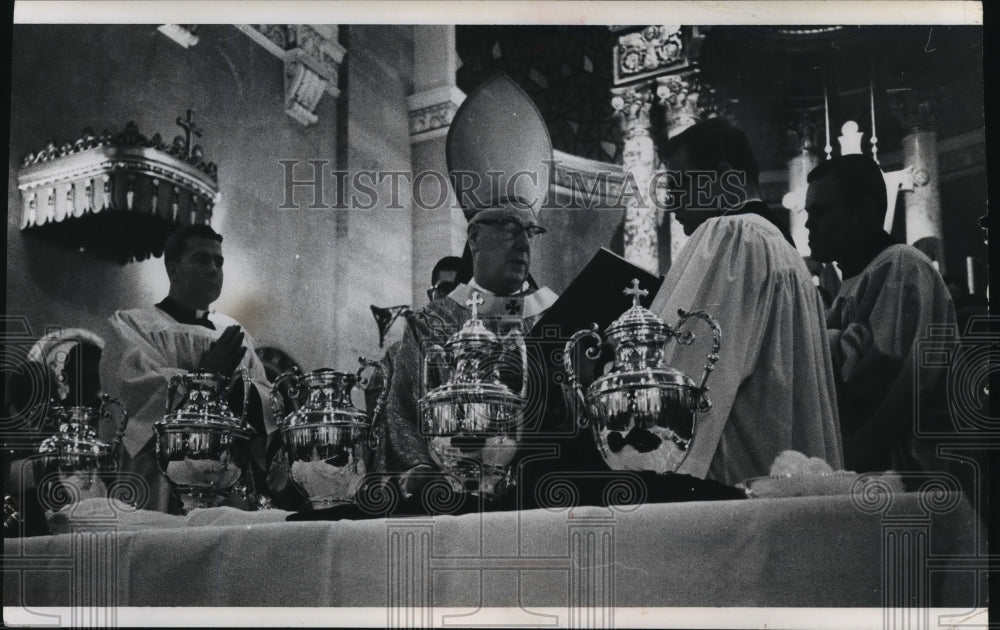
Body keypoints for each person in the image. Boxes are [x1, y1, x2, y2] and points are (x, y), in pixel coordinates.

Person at [378, 74, 558, 496]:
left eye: (529, 232)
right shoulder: (430, 326)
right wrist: (424, 477)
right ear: (474, 238)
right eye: (508, 227)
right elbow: (402, 422)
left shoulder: (553, 319)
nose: (521, 243)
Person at [649, 118, 843, 486]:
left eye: (680, 185)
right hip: (780, 481)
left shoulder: (730, 236)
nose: (671, 205)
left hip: (729, 486)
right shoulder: (786, 254)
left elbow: (680, 376)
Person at [100, 224, 272, 513]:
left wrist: (242, 391)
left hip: (226, 483)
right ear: (173, 269)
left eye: (219, 262)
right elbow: (134, 390)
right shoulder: (132, 325)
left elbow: (265, 400)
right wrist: (203, 379)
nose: (214, 269)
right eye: (202, 259)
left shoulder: (234, 333)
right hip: (156, 480)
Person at [805, 155, 957, 473]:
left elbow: (883, 377)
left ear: (862, 213)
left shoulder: (902, 266)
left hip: (908, 471)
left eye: (819, 212)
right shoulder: (855, 278)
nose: (808, 224)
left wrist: (814, 341)